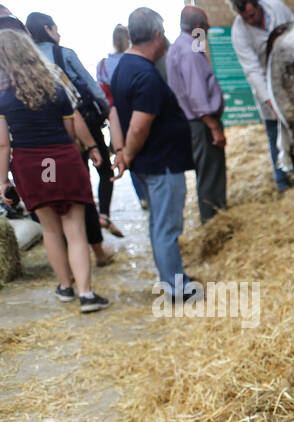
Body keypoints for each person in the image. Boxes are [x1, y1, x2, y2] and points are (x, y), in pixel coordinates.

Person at [0, 28, 110, 311]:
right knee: (75, 230)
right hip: (63, 160)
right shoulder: (57, 91)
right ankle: (86, 295)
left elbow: (3, 146)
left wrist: (3, 182)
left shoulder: (3, 99)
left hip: (29, 164)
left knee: (50, 231)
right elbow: (70, 133)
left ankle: (65, 287)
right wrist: (90, 150)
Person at [111, 7, 198, 304]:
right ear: (158, 36)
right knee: (167, 227)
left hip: (149, 163)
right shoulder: (146, 73)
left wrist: (123, 153)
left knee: (158, 224)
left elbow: (114, 113)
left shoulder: (123, 66)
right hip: (161, 163)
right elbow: (139, 126)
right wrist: (128, 153)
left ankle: (172, 278)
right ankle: (176, 288)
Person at [25, 11, 121, 254]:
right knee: (104, 171)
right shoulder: (64, 54)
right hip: (82, 122)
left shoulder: (26, 62)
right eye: (55, 28)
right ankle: (103, 218)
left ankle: (72, 248)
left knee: (76, 185)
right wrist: (108, 113)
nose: (59, 33)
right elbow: (91, 87)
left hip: (48, 137)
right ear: (47, 28)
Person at [166, 6, 225, 223]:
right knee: (210, 174)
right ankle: (214, 221)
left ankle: (214, 216)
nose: (207, 30)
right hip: (202, 123)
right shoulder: (190, 51)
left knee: (208, 172)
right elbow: (197, 94)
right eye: (207, 26)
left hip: (197, 121)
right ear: (199, 27)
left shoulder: (181, 46)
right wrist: (214, 126)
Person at [230, 0, 293, 191]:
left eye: (252, 15)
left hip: (290, 81)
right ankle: (282, 181)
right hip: (267, 87)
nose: (249, 20)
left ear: (258, 5)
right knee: (275, 135)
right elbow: (252, 71)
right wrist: (272, 104)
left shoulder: (277, 7)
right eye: (244, 17)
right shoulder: (239, 32)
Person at [96, 24, 148, 217]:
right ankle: (149, 190)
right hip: (137, 111)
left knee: (127, 153)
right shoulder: (135, 60)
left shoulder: (103, 65)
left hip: (115, 117)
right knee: (142, 146)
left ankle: (142, 195)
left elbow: (101, 94)